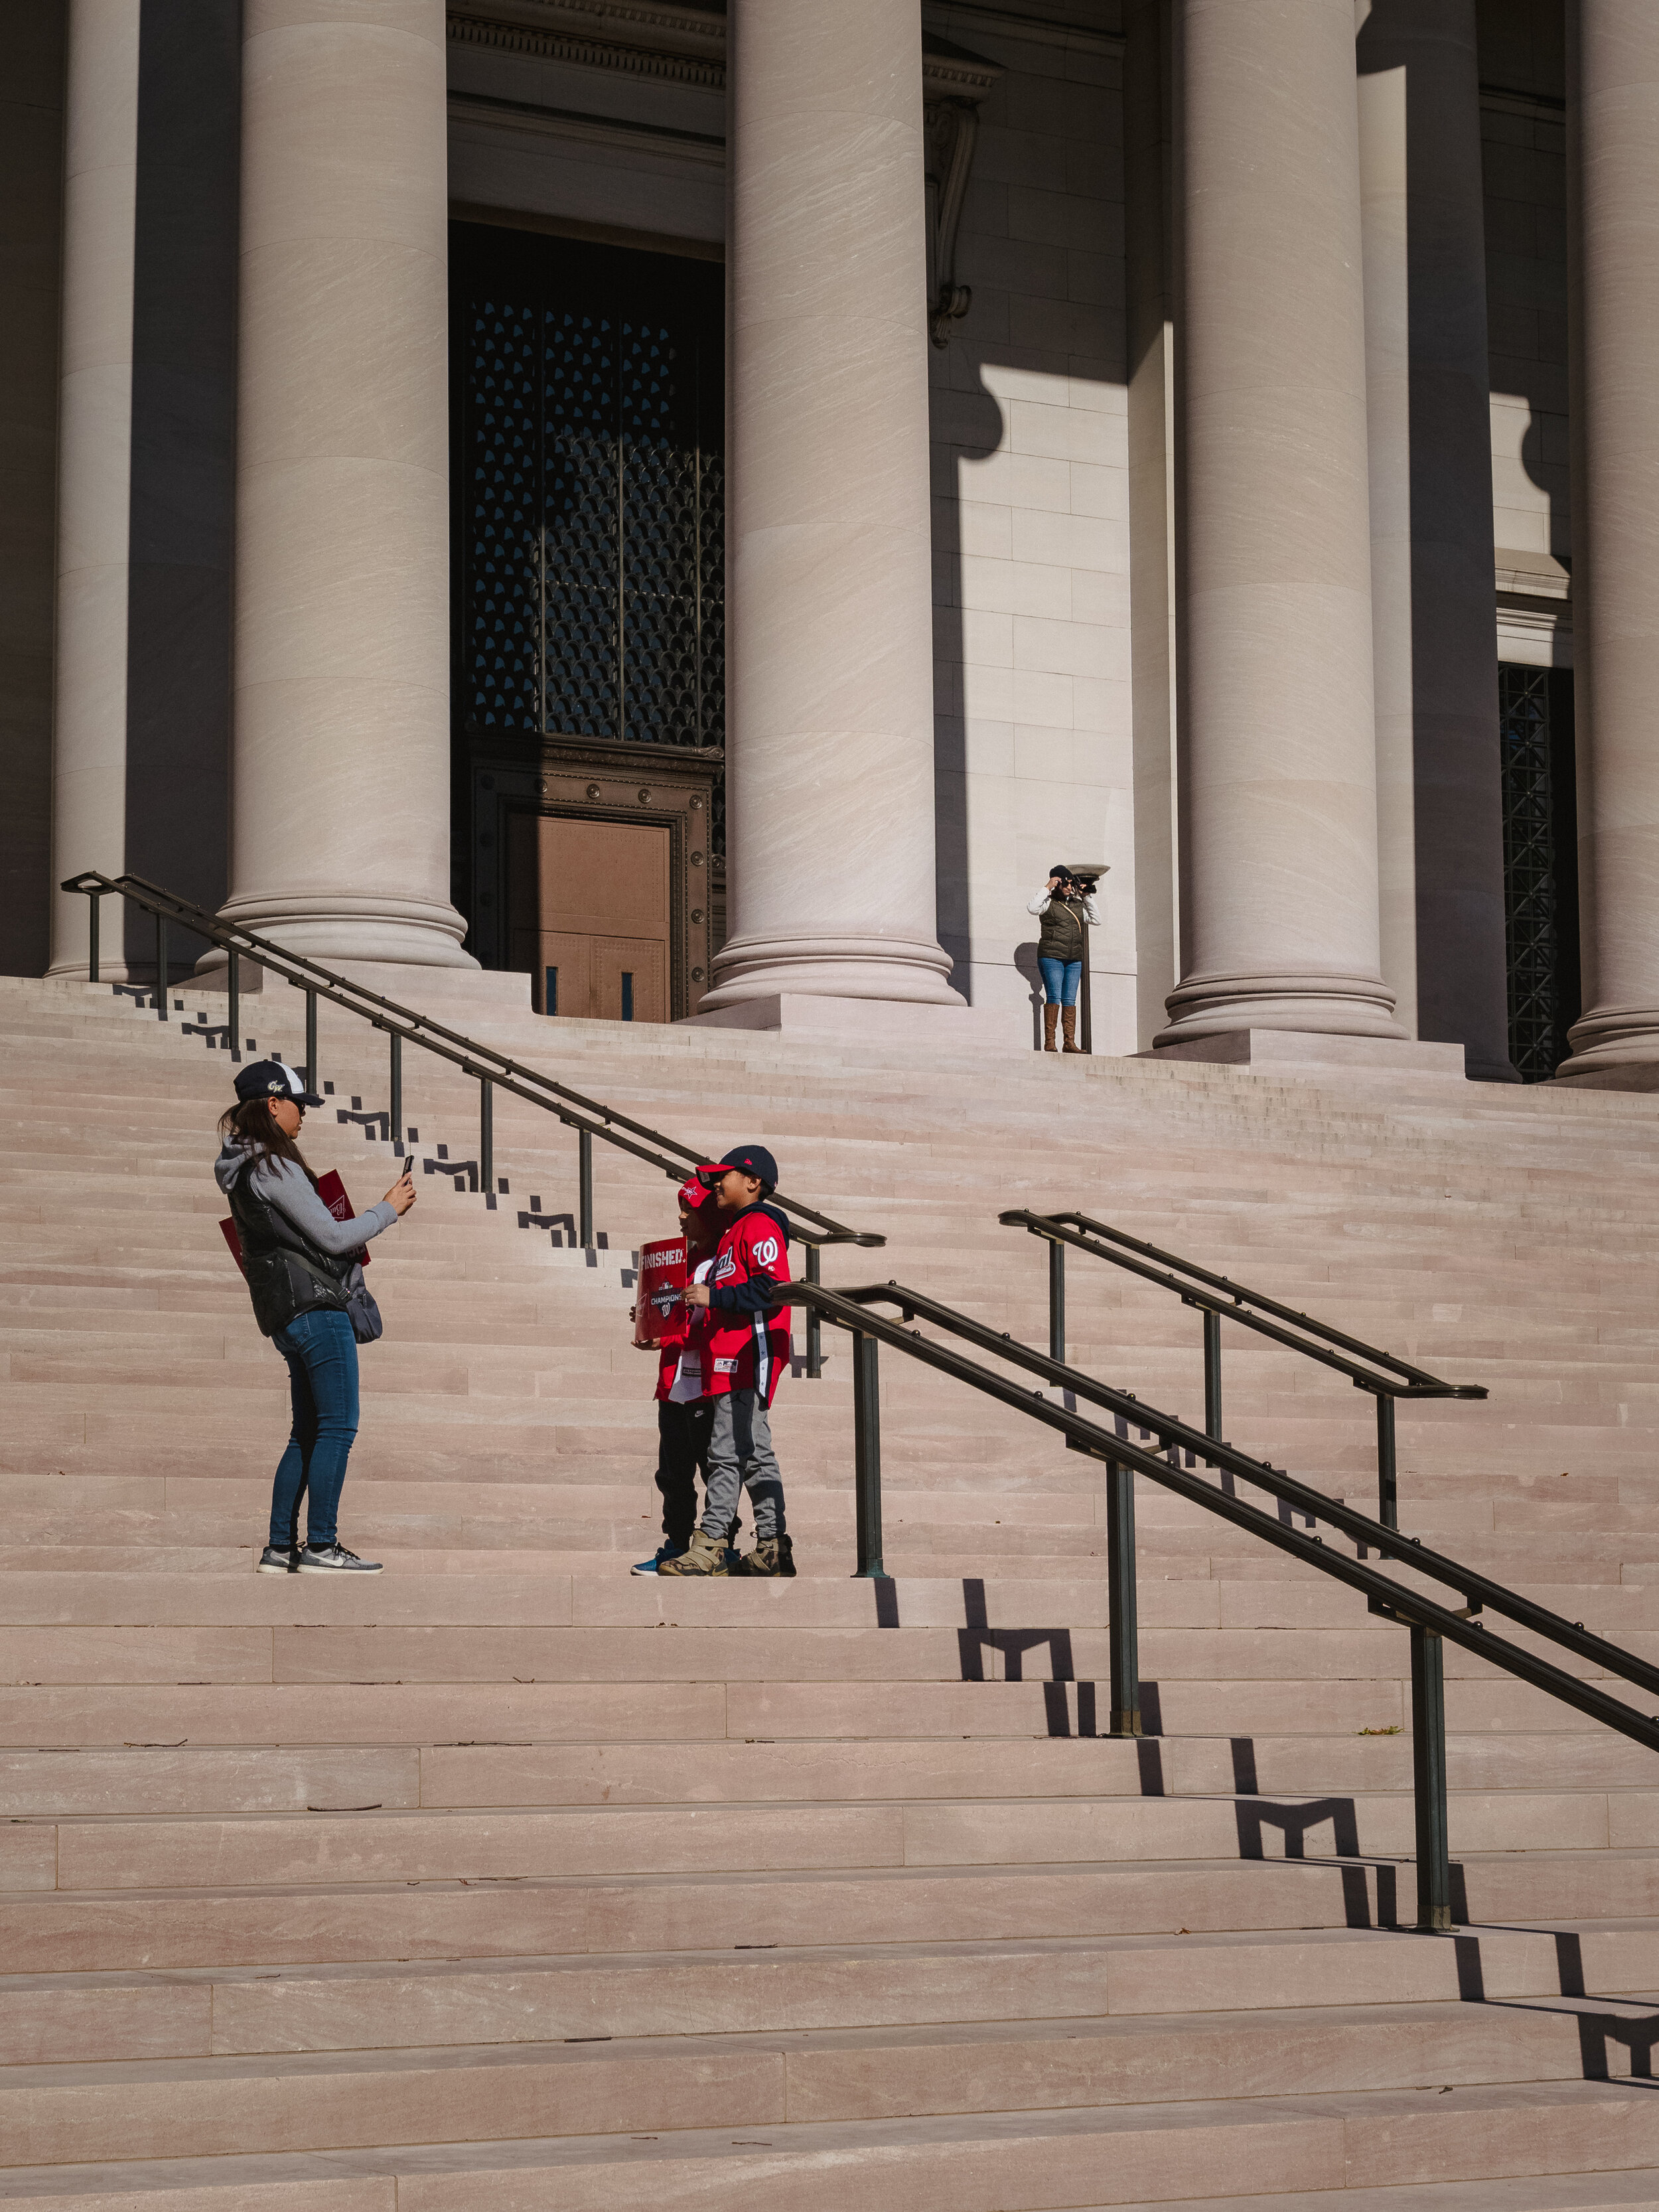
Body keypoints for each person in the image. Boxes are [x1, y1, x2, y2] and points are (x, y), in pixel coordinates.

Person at [215, 1060, 416, 1574]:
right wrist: (386, 1209)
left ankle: (280, 1547)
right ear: (271, 1104)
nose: (303, 1116)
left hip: (286, 1312)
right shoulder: (273, 1166)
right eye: (298, 1105)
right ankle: (322, 1544)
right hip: (316, 1308)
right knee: (338, 1426)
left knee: (305, 1431)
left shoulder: (242, 1168)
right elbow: (332, 1236)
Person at [660, 1144, 795, 1578]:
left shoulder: (758, 1225)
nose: (717, 1183)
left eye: (725, 1176)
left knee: (725, 1451)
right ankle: (772, 1544)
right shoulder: (736, 1231)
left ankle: (712, 1543)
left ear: (753, 1182)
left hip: (747, 1356)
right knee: (753, 1454)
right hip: (729, 1358)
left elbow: (774, 1290)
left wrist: (714, 1295)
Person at [630, 1177, 736, 1573]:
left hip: (707, 1388)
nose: (681, 1216)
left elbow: (724, 1321)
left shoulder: (723, 1261)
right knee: (673, 1473)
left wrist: (682, 1327)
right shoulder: (680, 1259)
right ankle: (675, 1543)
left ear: (710, 1215)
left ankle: (721, 1544)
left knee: (714, 1469)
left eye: (689, 1210)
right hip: (674, 1387)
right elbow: (669, 1314)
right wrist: (649, 1322)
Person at [1027, 865, 1100, 1053]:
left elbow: (1096, 919)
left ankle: (1069, 1043)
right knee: (1054, 996)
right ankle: (1050, 1042)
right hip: (1052, 956)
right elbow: (1032, 908)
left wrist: (1086, 897)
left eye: (1070, 884)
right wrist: (1047, 887)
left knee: (1070, 1000)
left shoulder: (1077, 905)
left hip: (1074, 958)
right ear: (1058, 883)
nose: (1069, 887)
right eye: (1065, 883)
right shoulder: (1048, 903)